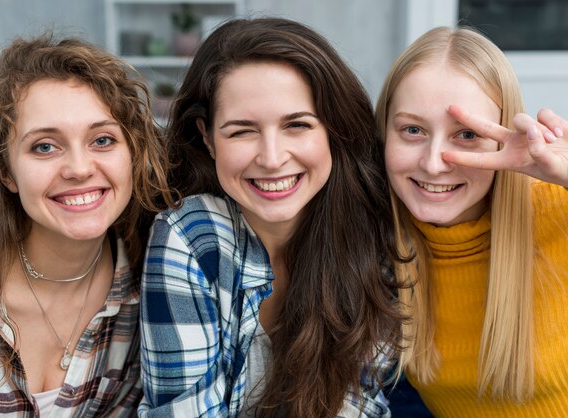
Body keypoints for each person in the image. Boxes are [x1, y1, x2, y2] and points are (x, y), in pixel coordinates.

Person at [139, 17, 404, 418]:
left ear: (333, 129)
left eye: (297, 125)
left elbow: (360, 404)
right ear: (208, 138)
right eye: (242, 131)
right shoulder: (192, 237)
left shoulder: (367, 230)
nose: (272, 158)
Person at [0, 34, 174, 417]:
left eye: (102, 140)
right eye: (45, 147)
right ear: (6, 172)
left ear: (132, 154)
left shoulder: (154, 287)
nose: (80, 168)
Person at [376, 26, 568, 416]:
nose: (433, 163)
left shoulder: (559, 210)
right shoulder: (376, 241)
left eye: (466, 135)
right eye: (412, 130)